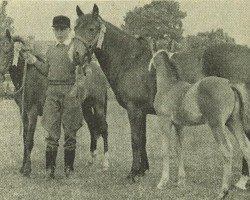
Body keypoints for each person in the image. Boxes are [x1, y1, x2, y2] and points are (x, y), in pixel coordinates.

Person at [23, 15, 83, 179]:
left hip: (70, 93)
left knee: (70, 133)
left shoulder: (75, 48)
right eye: (56, 29)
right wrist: (34, 60)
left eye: (63, 29)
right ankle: (50, 169)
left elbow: (83, 71)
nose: (59, 33)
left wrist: (77, 88)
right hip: (52, 93)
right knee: (51, 133)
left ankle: (69, 169)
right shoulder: (50, 50)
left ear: (69, 30)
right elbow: (45, 70)